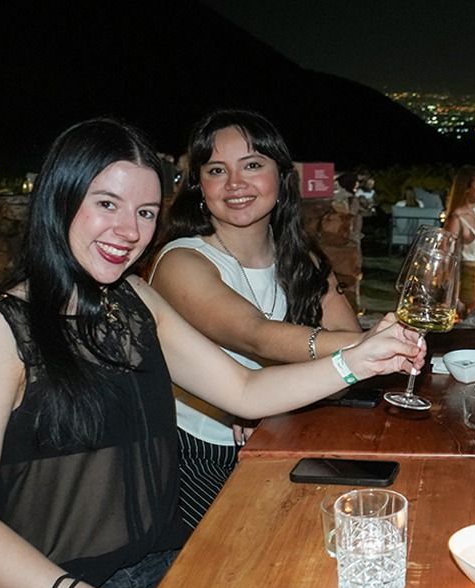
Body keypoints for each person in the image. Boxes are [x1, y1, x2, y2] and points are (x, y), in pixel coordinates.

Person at [0, 118, 425, 588]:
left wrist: (354, 361)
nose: (128, 230)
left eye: (144, 213)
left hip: (161, 571)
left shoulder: (133, 298)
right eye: (107, 204)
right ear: (59, 198)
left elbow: (244, 388)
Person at [150, 110, 365, 527]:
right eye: (217, 170)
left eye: (252, 165)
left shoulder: (302, 259)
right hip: (195, 452)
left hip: (280, 433)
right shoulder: (182, 261)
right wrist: (374, 348)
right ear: (200, 187)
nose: (235, 184)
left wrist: (360, 352)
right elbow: (256, 336)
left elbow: (344, 343)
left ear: (280, 179)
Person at [443, 165, 475, 313]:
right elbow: (446, 258)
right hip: (467, 283)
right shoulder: (457, 217)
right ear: (467, 188)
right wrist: (454, 297)